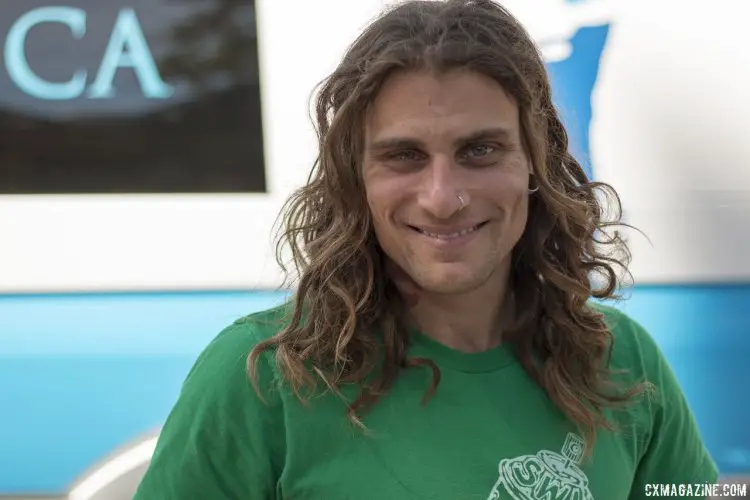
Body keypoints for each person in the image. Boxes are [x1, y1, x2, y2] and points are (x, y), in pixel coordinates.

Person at [133, 0, 718, 498]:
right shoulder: (263, 377)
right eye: (404, 155)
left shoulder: (622, 361)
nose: (443, 199)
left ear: (535, 163)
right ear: (354, 178)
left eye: (480, 150)